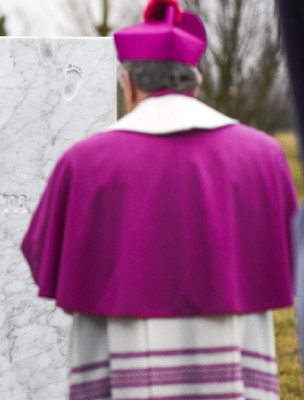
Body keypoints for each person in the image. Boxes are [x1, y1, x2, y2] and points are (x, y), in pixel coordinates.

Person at [21, 0, 296, 399]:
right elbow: (290, 258)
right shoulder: (263, 156)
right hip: (232, 361)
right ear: (195, 80)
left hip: (123, 360)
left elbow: (44, 255)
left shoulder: (83, 163)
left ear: (129, 84)